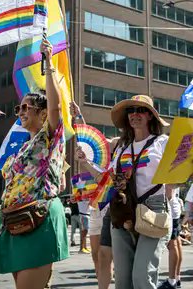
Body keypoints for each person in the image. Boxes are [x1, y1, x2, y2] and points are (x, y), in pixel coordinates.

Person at [0, 38, 69, 289]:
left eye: (27, 108)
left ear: (43, 113)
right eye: (19, 108)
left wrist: (49, 61)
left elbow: (56, 106)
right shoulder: (24, 145)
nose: (21, 112)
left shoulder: (50, 138)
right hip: (15, 221)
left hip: (38, 218)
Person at [105, 95, 193, 289]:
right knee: (123, 281)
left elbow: (175, 180)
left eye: (140, 110)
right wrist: (84, 161)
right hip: (122, 211)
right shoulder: (121, 148)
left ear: (150, 116)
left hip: (154, 208)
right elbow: (108, 178)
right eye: (130, 111)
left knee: (142, 277)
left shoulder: (163, 142)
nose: (134, 114)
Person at [72, 102, 116, 289]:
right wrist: (78, 116)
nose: (109, 146)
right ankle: (102, 281)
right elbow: (84, 138)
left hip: (113, 210)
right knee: (96, 254)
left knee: (107, 255)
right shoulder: (97, 162)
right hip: (95, 210)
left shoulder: (119, 162)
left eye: (112, 146)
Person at [159, 185, 182, 289]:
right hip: (174, 209)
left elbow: (168, 194)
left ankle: (172, 280)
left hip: (169, 210)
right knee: (176, 244)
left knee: (172, 245)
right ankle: (176, 278)